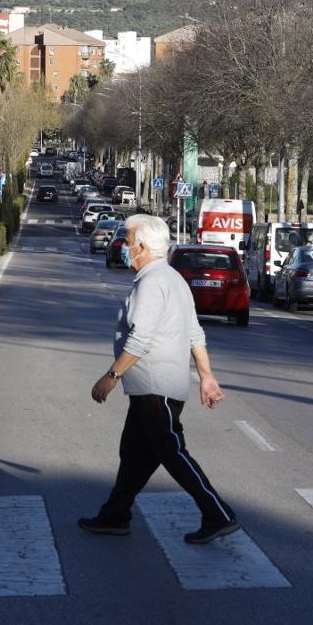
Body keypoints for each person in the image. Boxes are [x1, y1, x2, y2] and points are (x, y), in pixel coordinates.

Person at [79, 214, 239, 545]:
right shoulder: (173, 278)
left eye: (127, 239)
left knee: (171, 450)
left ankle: (218, 514)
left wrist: (110, 377)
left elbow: (141, 339)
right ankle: (115, 515)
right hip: (155, 387)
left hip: (156, 386)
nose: (123, 246)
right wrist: (206, 377)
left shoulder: (153, 283)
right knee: (134, 452)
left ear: (141, 246)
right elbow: (195, 333)